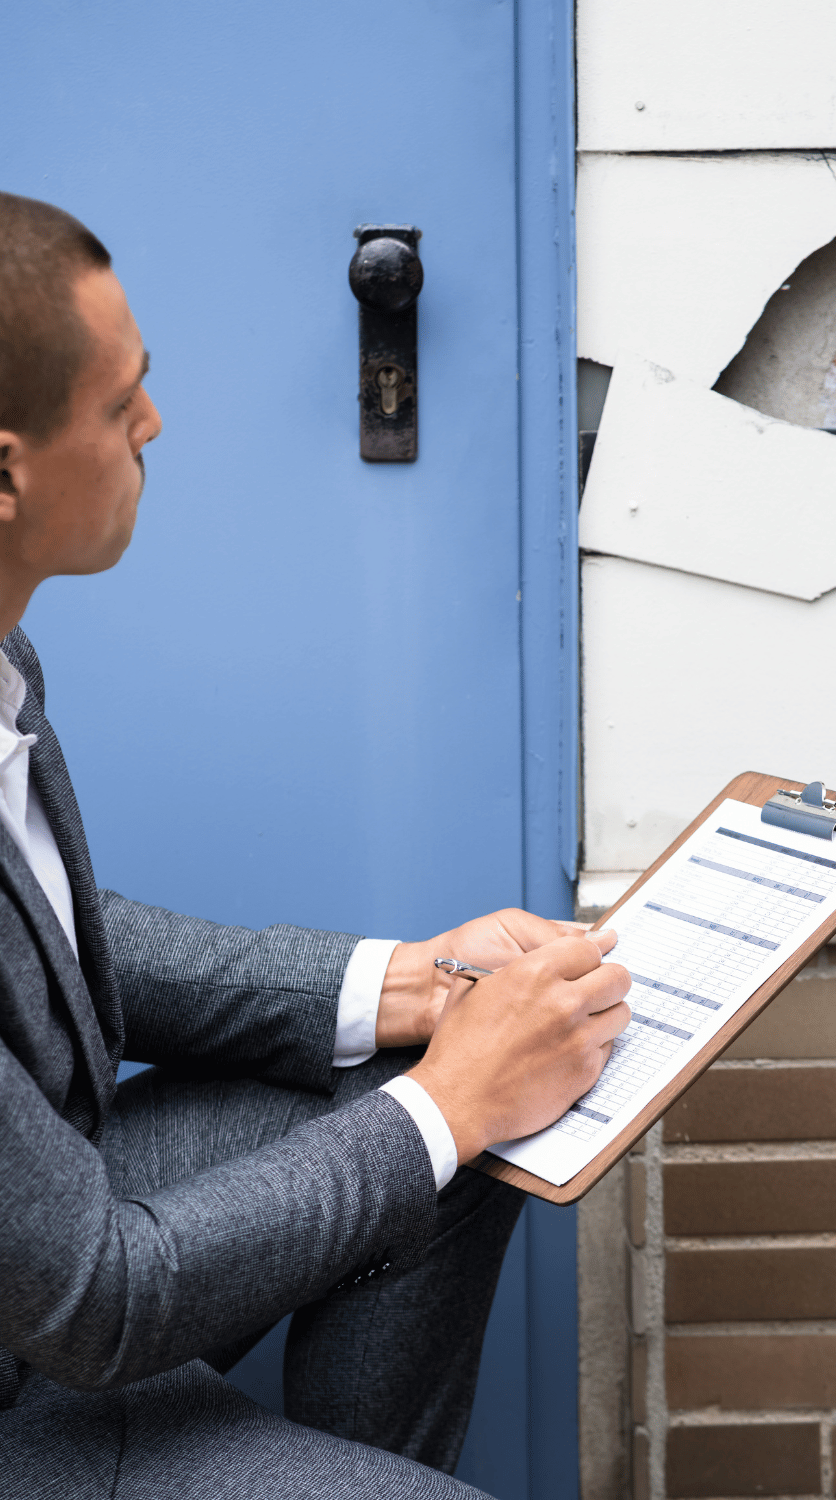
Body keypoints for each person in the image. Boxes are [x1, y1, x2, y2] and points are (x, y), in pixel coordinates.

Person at [0, 192, 631, 1500]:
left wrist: (400, 983)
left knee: (425, 1097)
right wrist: (448, 1101)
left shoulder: (3, 665)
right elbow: (97, 1302)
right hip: (41, 1353)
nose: (154, 426)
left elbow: (46, 935)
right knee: (440, 1112)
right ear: (6, 472)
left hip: (46, 1236)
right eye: (122, 407)